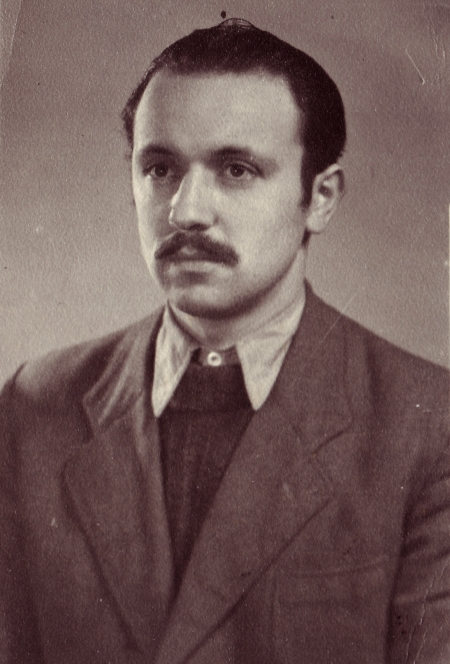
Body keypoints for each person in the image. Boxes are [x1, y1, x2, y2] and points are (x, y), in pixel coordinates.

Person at [0, 18, 448, 664]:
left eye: (236, 169)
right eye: (159, 168)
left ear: (320, 198)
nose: (185, 210)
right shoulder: (32, 407)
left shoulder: (429, 424)